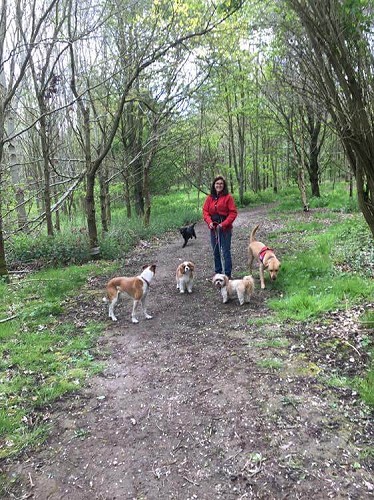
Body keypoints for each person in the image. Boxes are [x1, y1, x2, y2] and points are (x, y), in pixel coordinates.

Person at [203, 175, 238, 279]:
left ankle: (227, 275)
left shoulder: (228, 198)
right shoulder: (209, 198)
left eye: (221, 184)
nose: (219, 185)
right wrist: (209, 222)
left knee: (226, 252)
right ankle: (218, 273)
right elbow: (205, 211)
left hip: (225, 229)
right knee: (215, 251)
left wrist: (223, 224)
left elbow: (233, 213)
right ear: (214, 185)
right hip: (213, 228)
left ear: (224, 185)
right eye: (217, 183)